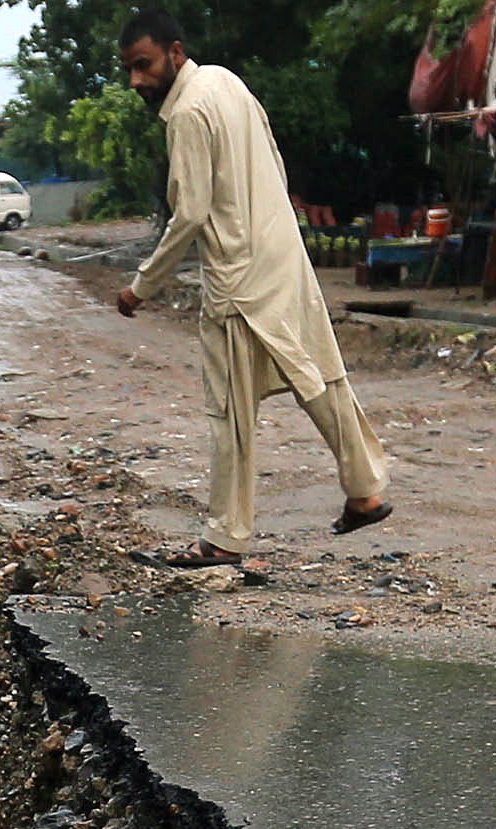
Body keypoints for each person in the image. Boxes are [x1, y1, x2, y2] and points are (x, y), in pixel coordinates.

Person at [107, 11, 394, 566]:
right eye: (129, 69)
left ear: (173, 52)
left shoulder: (189, 112)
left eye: (142, 66)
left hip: (239, 278)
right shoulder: (226, 81)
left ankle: (224, 537)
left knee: (231, 413)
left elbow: (188, 214)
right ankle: (365, 491)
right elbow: (274, 161)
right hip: (281, 256)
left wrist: (142, 288)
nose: (136, 81)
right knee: (320, 377)